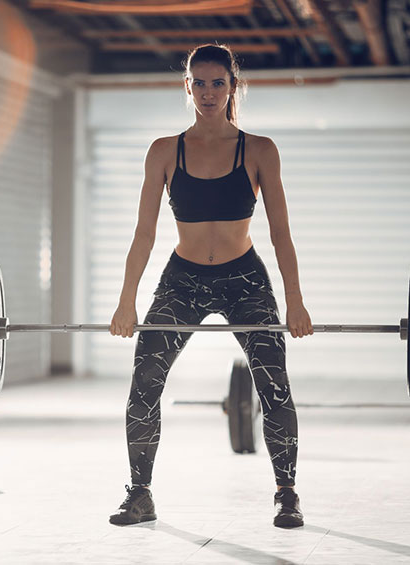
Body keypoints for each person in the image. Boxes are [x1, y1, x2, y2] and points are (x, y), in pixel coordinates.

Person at [107, 44, 312, 529]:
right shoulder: (164, 151)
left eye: (217, 83)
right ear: (187, 87)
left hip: (245, 280)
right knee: (143, 387)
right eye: (198, 83)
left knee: (274, 387)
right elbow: (144, 233)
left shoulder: (260, 149)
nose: (208, 92)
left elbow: (281, 232)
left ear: (232, 87)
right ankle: (140, 494)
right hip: (184, 279)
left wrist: (296, 300)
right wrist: (125, 299)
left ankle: (286, 493)